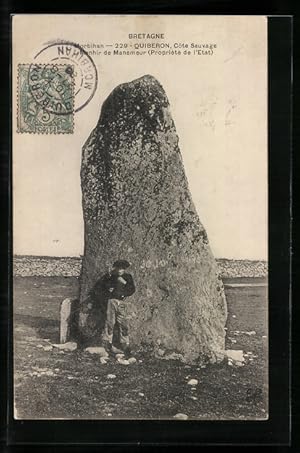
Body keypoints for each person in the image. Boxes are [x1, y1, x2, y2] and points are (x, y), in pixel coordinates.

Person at [101, 260, 135, 356]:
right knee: (109, 322)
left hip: (122, 302)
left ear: (125, 269)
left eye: (122, 268)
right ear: (115, 268)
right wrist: (109, 288)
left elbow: (132, 289)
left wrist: (124, 284)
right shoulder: (112, 277)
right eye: (118, 268)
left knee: (123, 323)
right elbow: (105, 286)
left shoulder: (128, 277)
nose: (120, 270)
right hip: (111, 301)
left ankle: (125, 345)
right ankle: (107, 344)